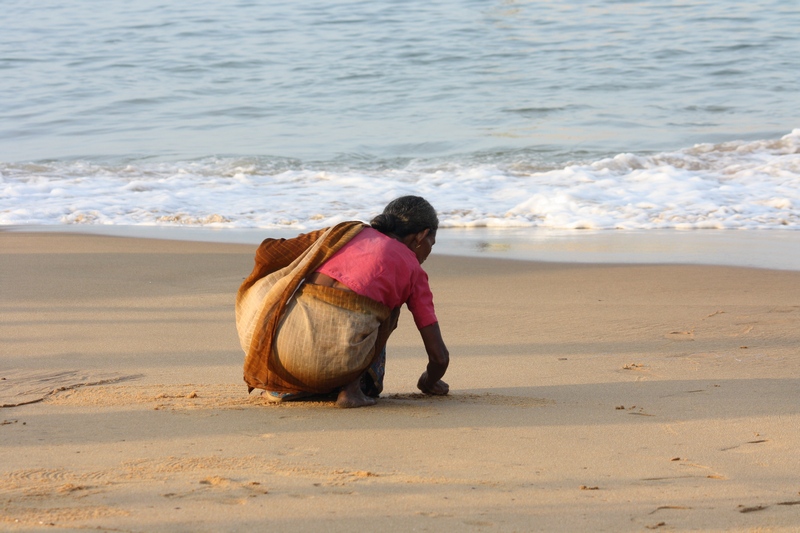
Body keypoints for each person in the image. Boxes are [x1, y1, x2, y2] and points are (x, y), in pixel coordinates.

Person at [235, 196, 450, 408]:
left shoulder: (346, 233)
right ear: (421, 236)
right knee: (388, 308)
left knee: (311, 282)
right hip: (337, 366)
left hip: (279, 355)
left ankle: (287, 388)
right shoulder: (413, 269)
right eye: (432, 242)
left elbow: (268, 252)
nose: (429, 251)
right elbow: (439, 357)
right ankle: (351, 390)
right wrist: (429, 381)